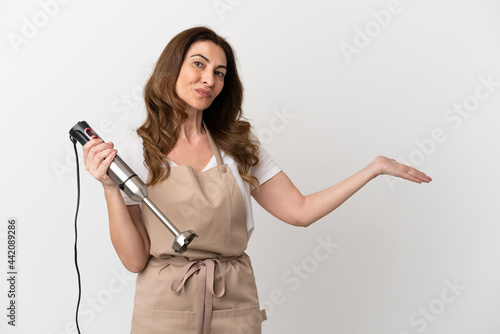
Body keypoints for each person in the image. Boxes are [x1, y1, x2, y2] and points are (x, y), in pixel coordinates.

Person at [82, 26, 431, 334]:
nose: (209, 79)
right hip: (164, 307)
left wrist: (373, 169)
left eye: (219, 73)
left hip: (233, 304)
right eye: (199, 64)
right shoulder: (136, 151)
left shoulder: (238, 147)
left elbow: (300, 211)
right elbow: (134, 260)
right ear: (172, 68)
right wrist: (110, 187)